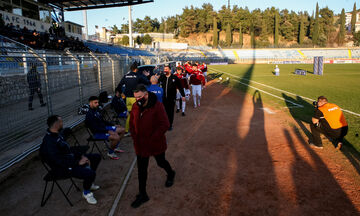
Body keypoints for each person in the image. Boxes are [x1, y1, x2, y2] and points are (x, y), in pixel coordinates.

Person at [129, 84, 176, 208]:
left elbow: (165, 124)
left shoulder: (157, 106)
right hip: (140, 145)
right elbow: (132, 123)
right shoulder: (135, 106)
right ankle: (143, 194)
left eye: (139, 97)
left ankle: (171, 173)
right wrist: (135, 136)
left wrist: (152, 139)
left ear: (146, 94)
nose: (137, 100)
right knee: (141, 170)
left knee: (161, 162)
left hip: (155, 144)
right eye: (135, 97)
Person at [40, 115, 101, 205]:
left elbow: (68, 150)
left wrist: (81, 156)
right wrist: (77, 163)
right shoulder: (49, 141)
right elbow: (58, 161)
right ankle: (86, 193)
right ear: (56, 124)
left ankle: (89, 182)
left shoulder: (57, 134)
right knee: (90, 173)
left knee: (96, 157)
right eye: (61, 122)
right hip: (62, 167)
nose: (62, 123)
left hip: (70, 160)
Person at [116, 62, 150, 136]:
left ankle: (127, 130)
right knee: (139, 114)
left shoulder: (125, 76)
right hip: (136, 98)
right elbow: (147, 82)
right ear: (136, 69)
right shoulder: (138, 76)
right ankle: (138, 130)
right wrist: (147, 76)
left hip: (127, 98)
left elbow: (118, 87)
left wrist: (122, 94)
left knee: (130, 115)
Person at [158, 64, 185, 130]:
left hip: (171, 98)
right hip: (163, 98)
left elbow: (180, 86)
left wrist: (183, 95)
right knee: (164, 111)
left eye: (166, 69)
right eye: (164, 69)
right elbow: (155, 81)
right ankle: (165, 123)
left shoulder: (175, 78)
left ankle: (170, 125)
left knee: (170, 112)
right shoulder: (162, 77)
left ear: (170, 70)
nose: (165, 70)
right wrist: (149, 76)